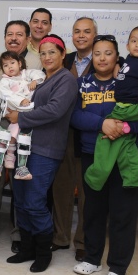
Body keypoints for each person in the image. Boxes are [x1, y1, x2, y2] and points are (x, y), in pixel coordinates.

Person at [71, 34, 138, 275]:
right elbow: (74, 116)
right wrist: (102, 123)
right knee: (93, 211)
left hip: (129, 156)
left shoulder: (131, 82)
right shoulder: (82, 84)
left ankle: (118, 267)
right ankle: (92, 259)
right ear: (91, 58)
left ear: (118, 56)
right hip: (94, 155)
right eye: (97, 53)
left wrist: (123, 127)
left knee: (123, 214)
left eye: (108, 53)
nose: (102, 58)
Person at [5, 34, 77, 273]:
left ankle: (43, 253)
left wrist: (20, 117)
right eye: (43, 53)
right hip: (25, 147)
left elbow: (55, 110)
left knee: (35, 202)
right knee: (21, 201)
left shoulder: (66, 80)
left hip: (45, 150)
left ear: (63, 54)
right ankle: (27, 249)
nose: (47, 57)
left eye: (52, 52)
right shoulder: (43, 79)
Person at [84, 27, 138, 192]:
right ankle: (131, 176)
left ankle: (99, 176)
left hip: (133, 107)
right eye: (134, 41)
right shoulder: (128, 62)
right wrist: (119, 64)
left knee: (107, 133)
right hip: (124, 107)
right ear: (127, 45)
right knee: (120, 139)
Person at [0, 20, 30, 248]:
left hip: (23, 128)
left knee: (20, 183)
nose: (14, 38)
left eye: (19, 34)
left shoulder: (34, 66)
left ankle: (19, 233)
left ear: (27, 38)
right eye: (10, 34)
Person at [51, 17, 97, 261]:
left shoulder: (105, 60)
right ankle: (60, 237)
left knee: (88, 191)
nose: (81, 35)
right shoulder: (64, 60)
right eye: (77, 31)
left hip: (91, 135)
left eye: (86, 31)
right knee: (61, 188)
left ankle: (83, 241)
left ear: (94, 35)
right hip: (63, 134)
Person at [0, 51, 45, 178]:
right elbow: (7, 94)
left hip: (27, 114)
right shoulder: (4, 81)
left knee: (24, 141)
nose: (10, 67)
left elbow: (40, 74)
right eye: (5, 65)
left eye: (12, 63)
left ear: (19, 63)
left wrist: (35, 80)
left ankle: (21, 168)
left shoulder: (27, 74)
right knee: (3, 138)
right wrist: (20, 100)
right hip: (9, 114)